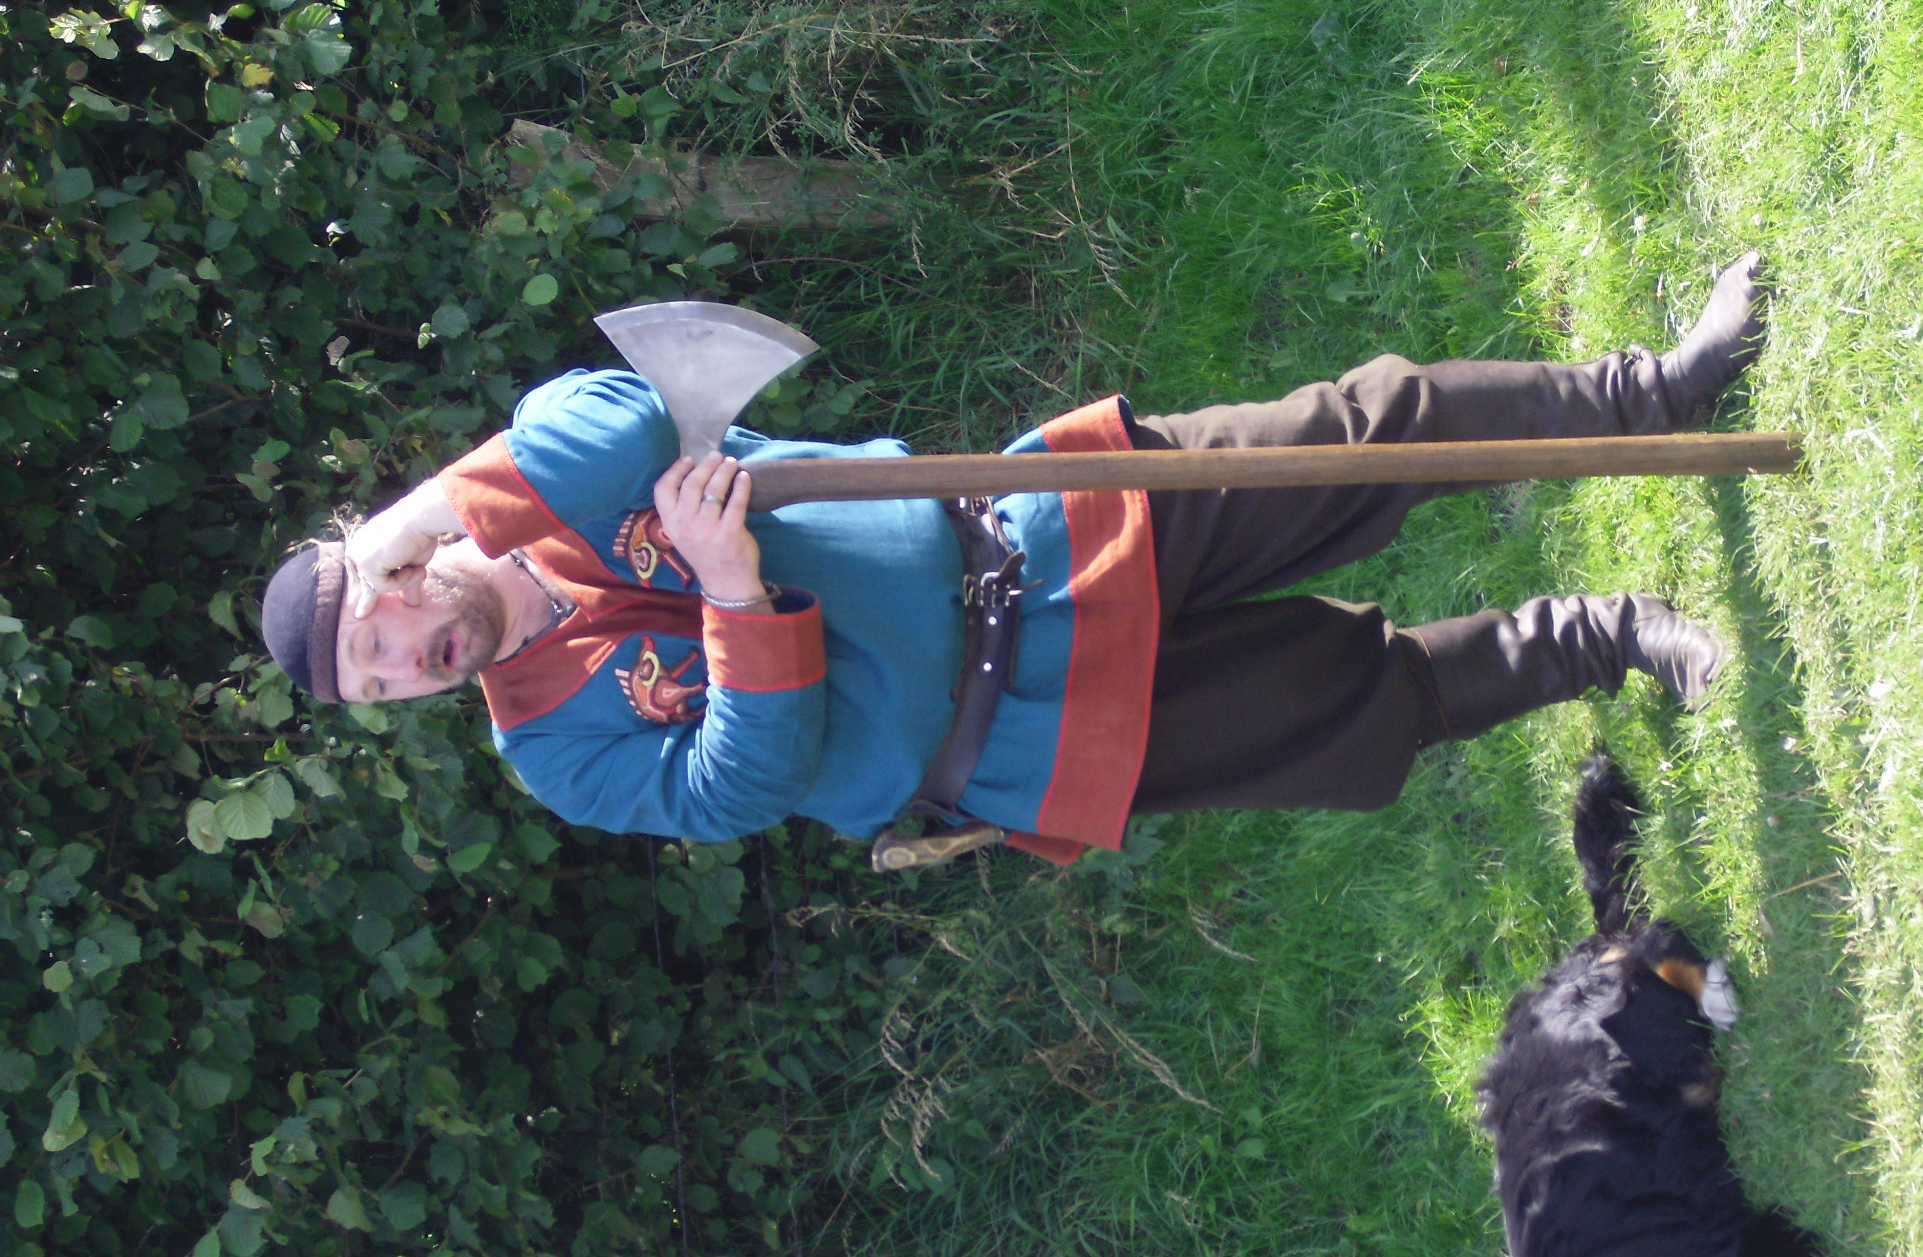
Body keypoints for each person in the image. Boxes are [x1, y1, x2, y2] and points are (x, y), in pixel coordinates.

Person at [261, 255, 1766, 865]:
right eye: (382, 690)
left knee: (1361, 434)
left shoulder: (527, 478)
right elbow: (737, 789)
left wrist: (430, 511)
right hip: (1013, 738)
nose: (408, 668)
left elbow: (640, 414)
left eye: (379, 636)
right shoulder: (548, 751)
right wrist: (729, 595)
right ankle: (1607, 635)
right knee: (1353, 709)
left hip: (1030, 526)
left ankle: (1650, 393)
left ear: (384, 567)